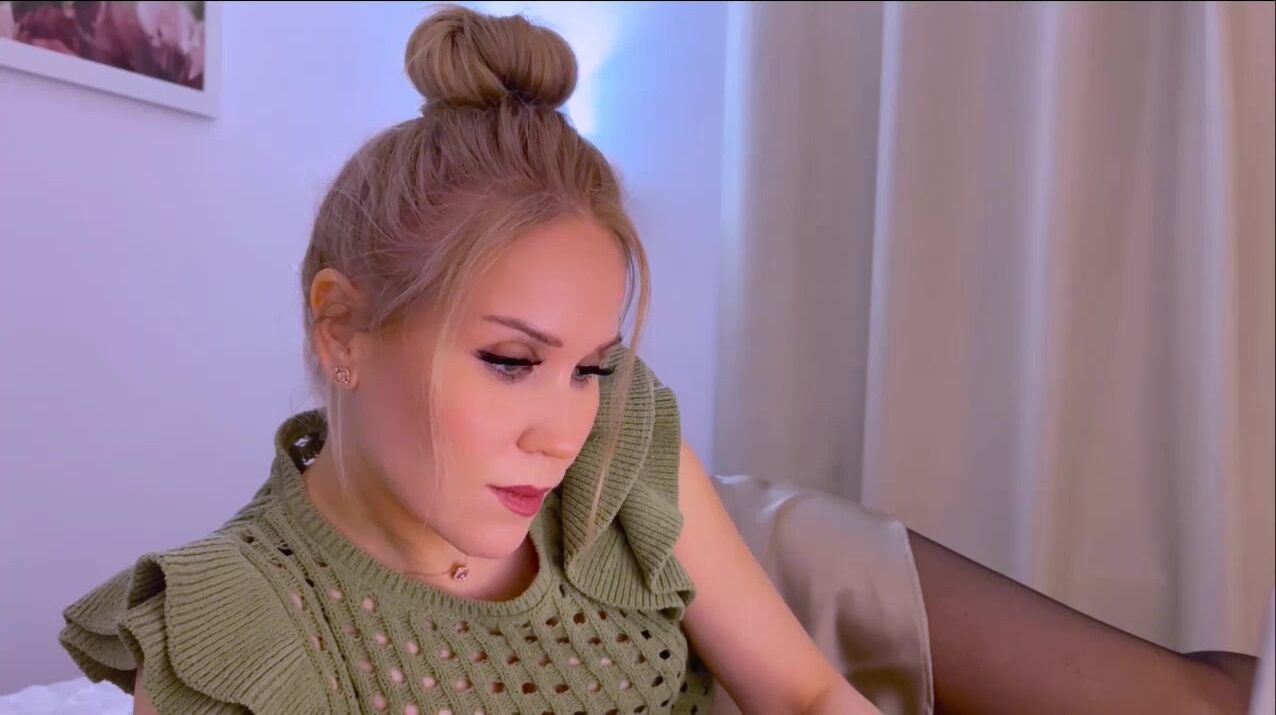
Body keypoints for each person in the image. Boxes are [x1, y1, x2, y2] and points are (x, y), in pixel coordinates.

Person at [57, 5, 1259, 715]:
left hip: (770, 565)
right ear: (341, 328)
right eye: (510, 359)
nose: (562, 428)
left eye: (591, 364)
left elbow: (803, 692)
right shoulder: (237, 632)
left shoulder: (612, 445)